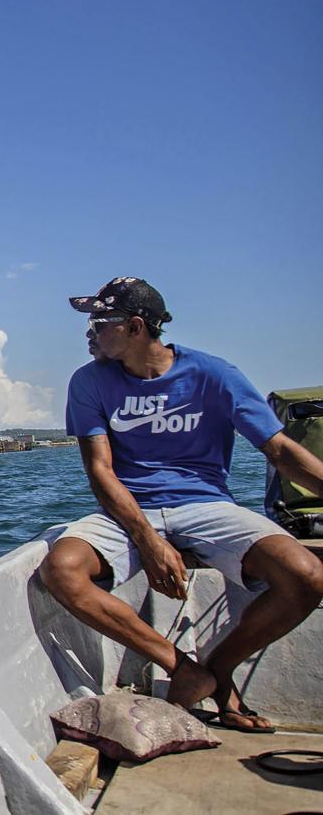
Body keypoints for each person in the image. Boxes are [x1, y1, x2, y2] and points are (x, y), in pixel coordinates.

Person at [38, 277, 323, 733]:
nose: (89, 333)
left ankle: (219, 667)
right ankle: (182, 667)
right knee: (61, 570)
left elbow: (280, 451)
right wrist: (148, 540)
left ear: (134, 327)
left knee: (306, 575)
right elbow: (101, 472)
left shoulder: (214, 374)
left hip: (206, 504)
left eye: (100, 322)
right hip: (130, 507)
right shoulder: (89, 381)